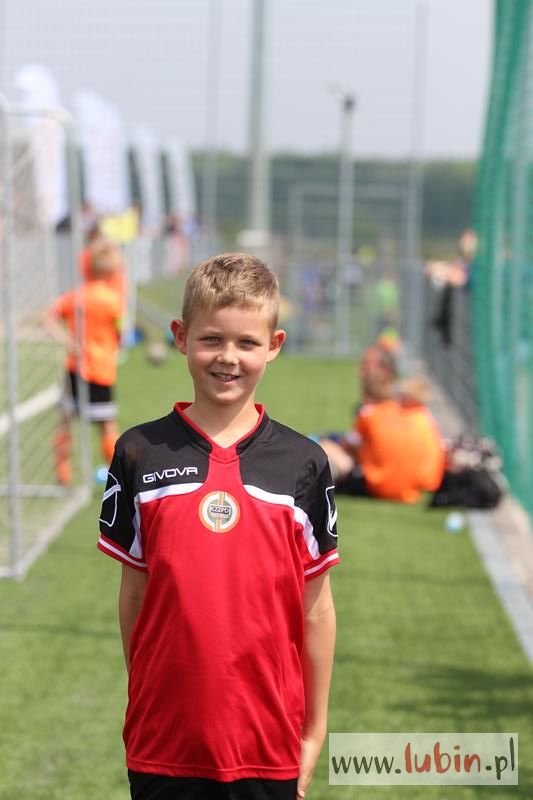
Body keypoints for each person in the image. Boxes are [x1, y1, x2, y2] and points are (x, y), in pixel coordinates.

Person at [97, 252, 339, 800]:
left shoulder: (304, 463)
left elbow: (317, 608)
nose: (228, 357)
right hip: (165, 741)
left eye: (247, 342)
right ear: (181, 337)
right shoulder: (138, 452)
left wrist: (314, 729)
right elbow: (134, 594)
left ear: (273, 345)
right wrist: (149, 693)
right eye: (212, 339)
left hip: (268, 744)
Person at [44, 240, 123, 484]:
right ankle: (120, 477)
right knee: (107, 425)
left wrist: (68, 341)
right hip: (100, 370)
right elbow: (119, 331)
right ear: (112, 271)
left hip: (75, 367)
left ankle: (63, 472)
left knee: (65, 422)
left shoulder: (76, 296)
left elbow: (48, 317)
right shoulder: (113, 300)